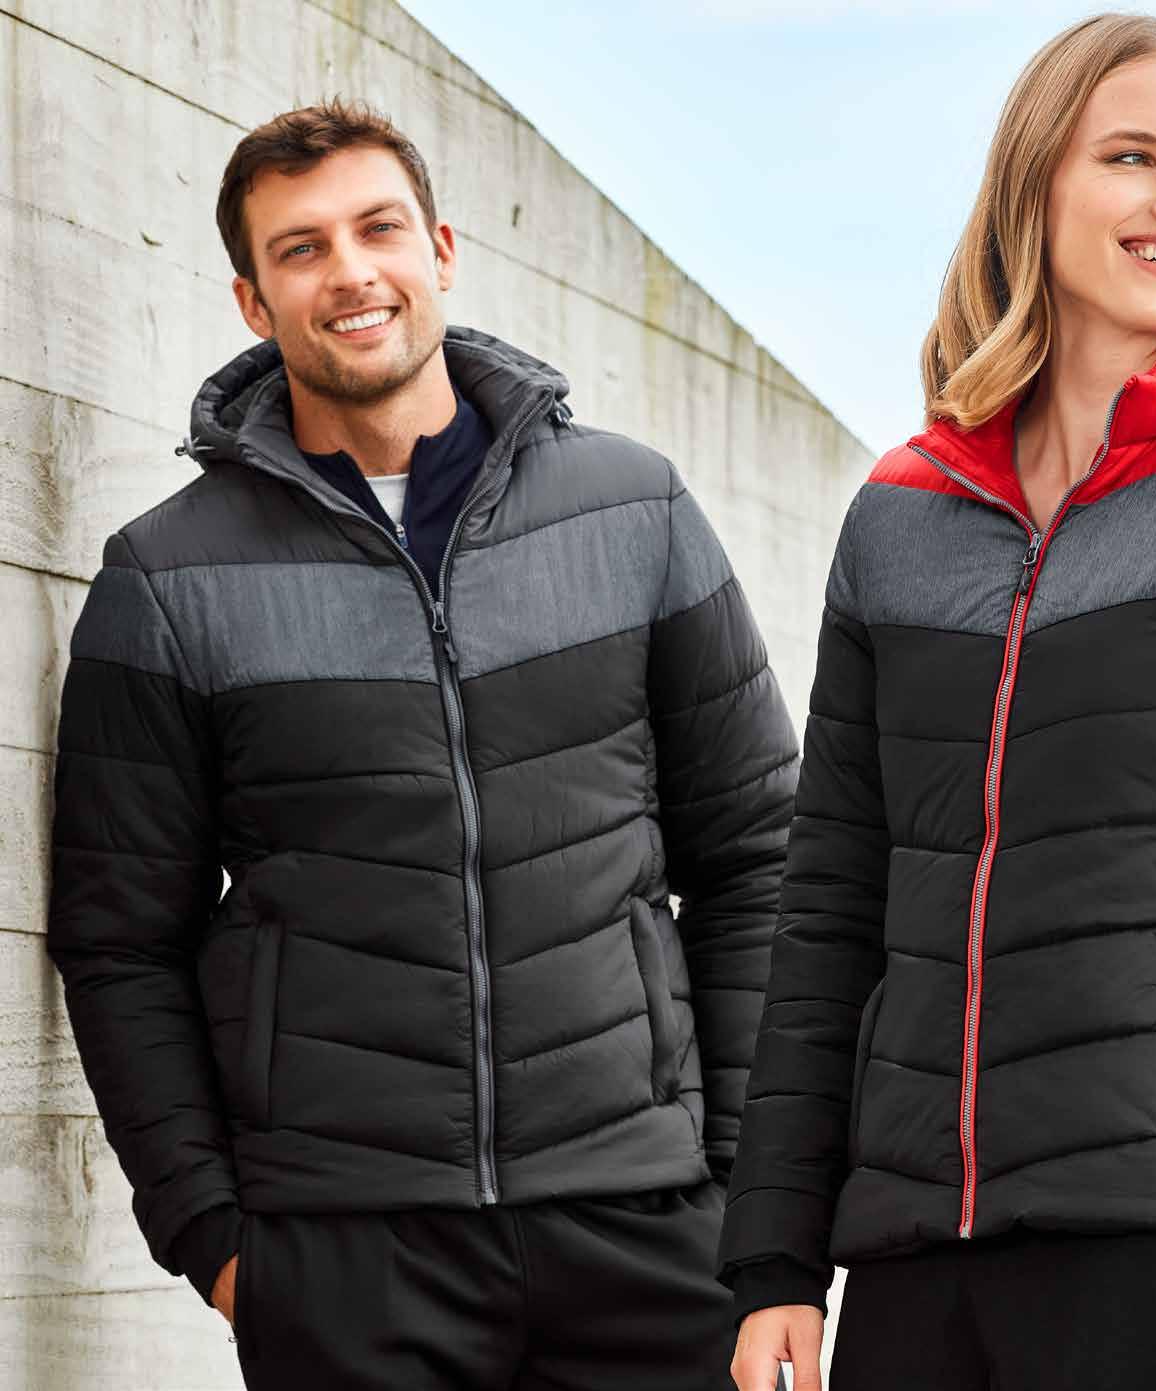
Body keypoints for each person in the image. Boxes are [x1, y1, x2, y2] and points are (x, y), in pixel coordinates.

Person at [719, 13, 1156, 1391]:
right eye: (1132, 157)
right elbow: (832, 906)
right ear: (1032, 188)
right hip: (914, 1257)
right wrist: (775, 1259)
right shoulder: (905, 511)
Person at [46, 98, 797, 1391]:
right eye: (301, 248)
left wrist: (741, 1187)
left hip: (647, 1227)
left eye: (377, 228)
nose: (349, 272)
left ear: (441, 250)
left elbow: (759, 860)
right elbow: (120, 941)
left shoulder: (633, 512)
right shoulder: (168, 579)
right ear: (252, 300)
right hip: (346, 1258)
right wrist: (216, 1240)